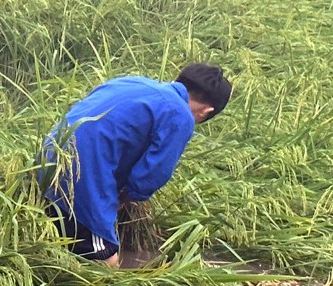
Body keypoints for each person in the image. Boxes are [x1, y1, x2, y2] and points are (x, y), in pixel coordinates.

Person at [42, 64, 233, 267]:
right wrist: (126, 197)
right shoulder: (180, 114)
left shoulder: (129, 81)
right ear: (206, 111)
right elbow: (153, 173)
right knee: (106, 263)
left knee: (58, 234)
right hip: (81, 175)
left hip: (47, 160)